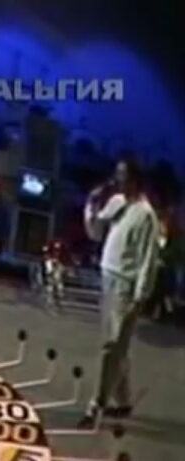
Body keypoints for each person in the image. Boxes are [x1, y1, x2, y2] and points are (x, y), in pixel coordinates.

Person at [79, 158, 161, 427]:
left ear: (135, 179)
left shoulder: (146, 215)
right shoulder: (116, 202)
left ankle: (97, 403)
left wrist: (140, 295)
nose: (117, 180)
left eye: (123, 176)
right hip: (108, 277)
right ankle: (123, 400)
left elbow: (148, 258)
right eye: (116, 175)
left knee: (111, 346)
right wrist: (92, 205)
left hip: (126, 285)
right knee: (118, 345)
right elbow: (95, 232)